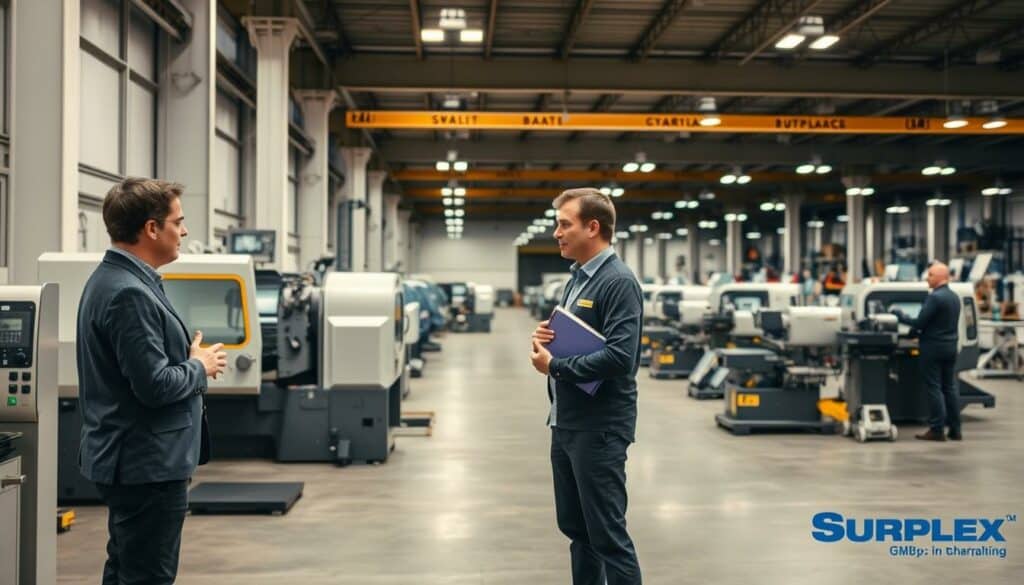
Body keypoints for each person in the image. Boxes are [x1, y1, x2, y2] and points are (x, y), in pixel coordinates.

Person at [77, 178, 227, 584]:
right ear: (151, 229)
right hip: (146, 466)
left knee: (126, 568)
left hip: (137, 462)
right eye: (178, 221)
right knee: (148, 576)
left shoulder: (119, 280)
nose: (185, 231)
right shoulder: (129, 293)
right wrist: (200, 364)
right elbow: (154, 385)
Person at [530, 188, 644, 585]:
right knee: (579, 533)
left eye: (565, 224)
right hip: (567, 422)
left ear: (593, 227)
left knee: (607, 537)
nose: (556, 233)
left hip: (599, 428)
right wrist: (548, 337)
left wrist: (555, 365)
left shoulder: (618, 282)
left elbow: (620, 358)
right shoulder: (577, 279)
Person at [892, 261, 962, 441]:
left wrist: (899, 316)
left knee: (934, 388)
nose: (927, 278)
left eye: (930, 274)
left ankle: (937, 430)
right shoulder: (954, 297)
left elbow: (920, 322)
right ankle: (955, 429)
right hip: (950, 347)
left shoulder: (935, 297)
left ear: (941, 277)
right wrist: (915, 332)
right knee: (950, 387)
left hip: (933, 348)